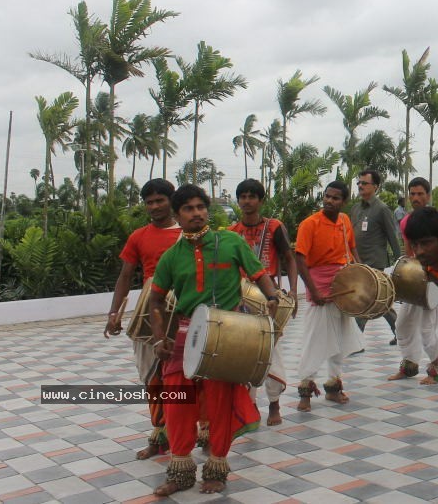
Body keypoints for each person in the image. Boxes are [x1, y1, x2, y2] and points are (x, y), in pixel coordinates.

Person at [148, 185, 279, 496]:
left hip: (226, 334)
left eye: (200, 207)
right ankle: (180, 473)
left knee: (220, 404)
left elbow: (258, 273)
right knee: (177, 404)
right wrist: (158, 337)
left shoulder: (230, 242)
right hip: (183, 334)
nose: (197, 213)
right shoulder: (170, 257)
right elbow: (155, 301)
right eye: (189, 209)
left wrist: (272, 296)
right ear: (177, 215)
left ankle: (216, 469)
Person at [104, 179, 182, 459]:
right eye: (149, 202)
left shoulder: (189, 233)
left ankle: (198, 431)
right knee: (153, 375)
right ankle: (161, 433)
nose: (154, 206)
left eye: (160, 200)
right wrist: (115, 313)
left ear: (171, 201)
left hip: (186, 306)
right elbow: (125, 276)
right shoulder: (138, 236)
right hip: (150, 308)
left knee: (190, 373)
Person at [228, 178, 298, 426]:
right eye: (242, 197)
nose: (247, 201)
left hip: (270, 299)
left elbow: (289, 258)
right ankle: (251, 407)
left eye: (251, 196)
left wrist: (292, 292)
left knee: (271, 351)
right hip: (241, 300)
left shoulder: (274, 226)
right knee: (246, 354)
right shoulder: (231, 233)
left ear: (260, 200)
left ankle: (274, 405)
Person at [295, 181, 364, 410]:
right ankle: (306, 389)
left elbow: (352, 249)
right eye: (327, 196)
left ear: (344, 201)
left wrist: (362, 273)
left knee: (340, 338)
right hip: (320, 286)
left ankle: (333, 387)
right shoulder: (309, 224)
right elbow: (300, 260)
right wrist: (314, 291)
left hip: (343, 285)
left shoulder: (344, 221)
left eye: (335, 198)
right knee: (315, 339)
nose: (329, 201)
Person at [391, 177, 438, 384]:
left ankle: (436, 370)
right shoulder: (405, 221)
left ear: (428, 195)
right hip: (414, 280)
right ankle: (409, 366)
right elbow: (409, 254)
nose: (415, 197)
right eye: (412, 194)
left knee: (427, 329)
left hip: (434, 280)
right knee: (402, 325)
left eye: (420, 194)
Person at [349, 168, 400, 344]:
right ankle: (400, 331)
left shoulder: (382, 209)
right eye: (359, 183)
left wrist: (400, 263)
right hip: (358, 263)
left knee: (365, 299)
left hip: (375, 262)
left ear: (376, 187)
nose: (360, 186)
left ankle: (355, 340)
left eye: (365, 183)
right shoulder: (355, 209)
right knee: (379, 301)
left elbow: (393, 237)